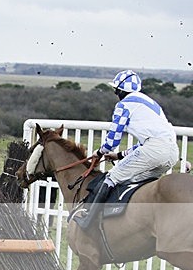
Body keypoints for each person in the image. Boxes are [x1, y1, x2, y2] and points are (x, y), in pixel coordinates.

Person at [74, 69, 179, 230]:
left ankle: (88, 220)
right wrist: (119, 155)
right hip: (171, 153)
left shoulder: (124, 105)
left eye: (116, 90)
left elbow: (113, 139)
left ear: (120, 90)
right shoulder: (150, 103)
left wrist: (100, 152)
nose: (116, 94)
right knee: (134, 181)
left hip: (153, 151)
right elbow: (146, 143)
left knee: (112, 178)